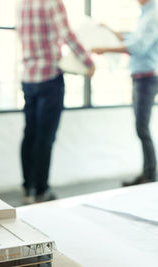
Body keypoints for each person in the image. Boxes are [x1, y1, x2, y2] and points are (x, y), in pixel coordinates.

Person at [18, 0, 95, 204]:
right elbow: (67, 35)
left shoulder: (23, 3)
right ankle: (42, 191)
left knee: (30, 135)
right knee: (45, 138)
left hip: (28, 76)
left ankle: (28, 189)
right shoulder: (52, 3)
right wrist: (88, 62)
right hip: (49, 77)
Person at [92, 0, 158, 186]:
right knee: (141, 128)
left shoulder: (154, 15)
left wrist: (104, 49)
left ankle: (150, 176)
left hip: (147, 79)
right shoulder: (146, 13)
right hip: (141, 78)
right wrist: (109, 30)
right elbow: (132, 40)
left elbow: (137, 47)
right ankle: (148, 174)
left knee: (142, 128)